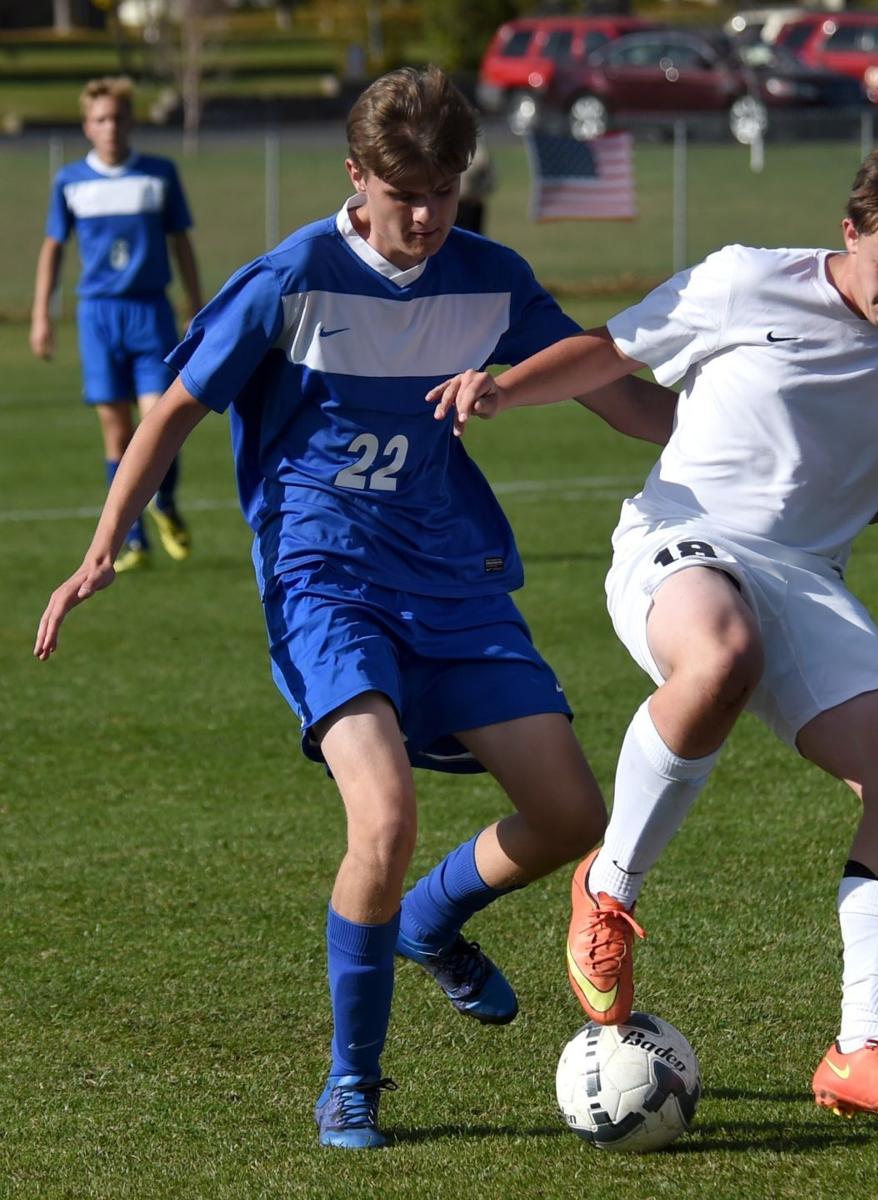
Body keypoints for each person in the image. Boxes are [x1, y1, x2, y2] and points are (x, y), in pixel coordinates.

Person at [35, 66, 676, 1151]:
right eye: (403, 191)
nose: (425, 215)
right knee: (381, 818)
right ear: (357, 177)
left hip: (454, 582)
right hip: (324, 578)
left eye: (443, 190)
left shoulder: (488, 277)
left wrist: (772, 454)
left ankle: (431, 921)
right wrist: (104, 546)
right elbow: (176, 406)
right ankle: (353, 1081)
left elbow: (620, 397)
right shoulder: (294, 277)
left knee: (573, 817)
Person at [429, 128, 878, 1132]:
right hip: (681, 541)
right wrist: (506, 384)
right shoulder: (741, 283)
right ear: (848, 231)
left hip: (805, 580)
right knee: (722, 656)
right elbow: (612, 351)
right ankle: (608, 893)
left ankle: (860, 1050)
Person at [30, 76, 203, 573]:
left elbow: (182, 242)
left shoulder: (159, 175)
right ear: (87, 126)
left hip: (151, 311)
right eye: (100, 119)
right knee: (116, 432)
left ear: (130, 121)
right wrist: (43, 315)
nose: (110, 127)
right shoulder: (70, 182)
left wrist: (196, 302)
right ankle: (135, 542)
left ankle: (165, 504)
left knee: (160, 421)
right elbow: (52, 250)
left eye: (118, 118)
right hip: (98, 316)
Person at [455, 127, 495, 235]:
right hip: (458, 203)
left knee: (474, 236)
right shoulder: (451, 149)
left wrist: (483, 191)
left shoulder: (478, 151)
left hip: (473, 203)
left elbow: (489, 176)